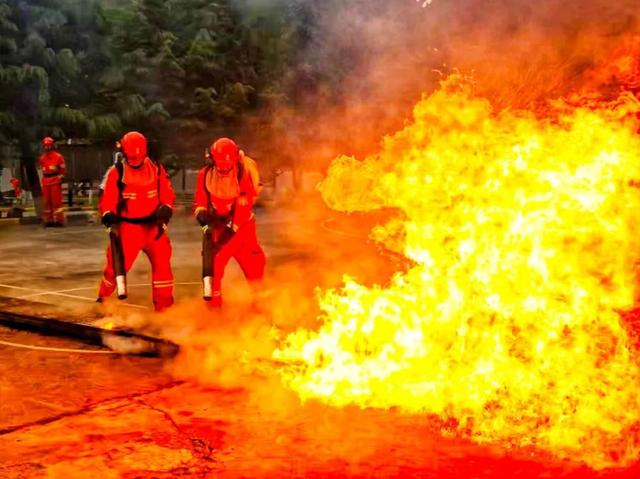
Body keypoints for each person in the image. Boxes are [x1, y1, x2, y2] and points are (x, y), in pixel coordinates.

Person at [97, 131, 175, 311]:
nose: (135, 162)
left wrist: (166, 209)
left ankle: (165, 310)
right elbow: (108, 200)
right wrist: (108, 215)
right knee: (115, 269)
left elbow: (167, 194)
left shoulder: (156, 169)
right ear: (123, 153)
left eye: (137, 158)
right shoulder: (117, 172)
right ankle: (103, 301)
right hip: (128, 229)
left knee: (163, 269)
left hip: (154, 227)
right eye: (131, 158)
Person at [193, 137, 265, 307]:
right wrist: (202, 215)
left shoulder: (243, 172)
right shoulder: (204, 175)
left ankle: (259, 310)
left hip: (244, 229)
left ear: (234, 158)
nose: (223, 166)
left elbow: (244, 203)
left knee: (255, 266)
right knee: (213, 269)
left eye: (227, 162)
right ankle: (215, 311)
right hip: (217, 227)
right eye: (219, 162)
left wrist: (232, 228)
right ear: (211, 158)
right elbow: (200, 199)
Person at [38, 137, 65, 226]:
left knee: (56, 202)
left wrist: (60, 178)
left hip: (55, 181)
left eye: (49, 145)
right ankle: (49, 220)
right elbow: (42, 169)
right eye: (45, 146)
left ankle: (59, 220)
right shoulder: (42, 158)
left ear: (52, 145)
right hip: (45, 181)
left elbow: (63, 170)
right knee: (46, 202)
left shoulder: (58, 157)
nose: (47, 147)